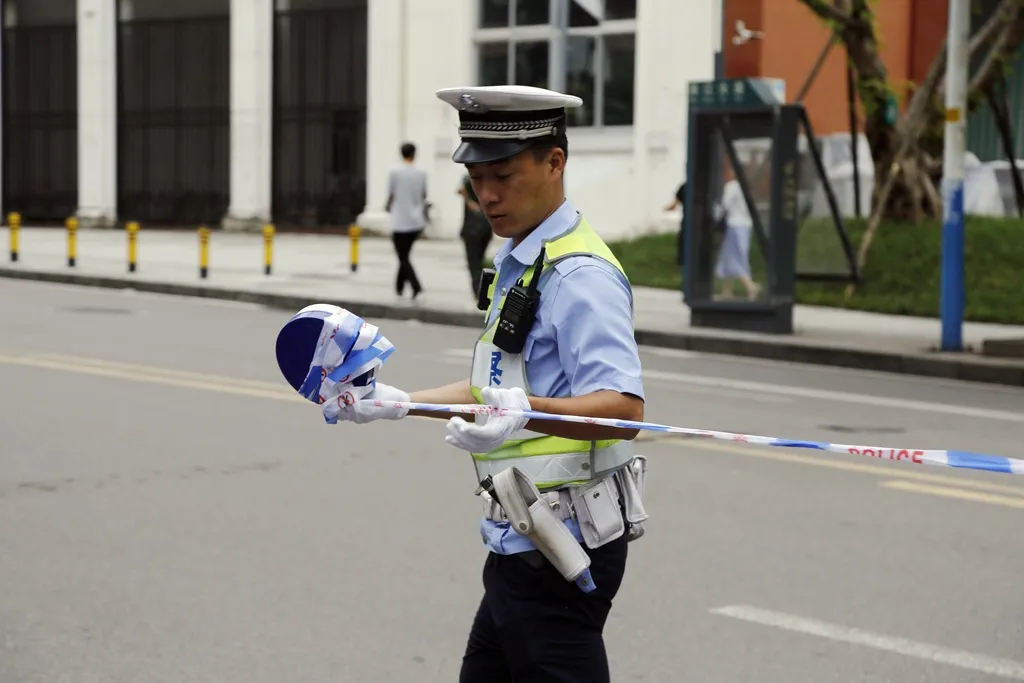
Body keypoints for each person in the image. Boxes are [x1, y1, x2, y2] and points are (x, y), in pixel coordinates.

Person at [329, 84, 650, 683]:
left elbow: (623, 408)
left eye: (503, 174)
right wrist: (396, 403)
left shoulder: (579, 275)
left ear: (555, 162)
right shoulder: (526, 259)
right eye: (477, 179)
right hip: (520, 542)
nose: (488, 196)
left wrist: (528, 411)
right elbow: (493, 387)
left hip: (561, 552)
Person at [713, 158, 761, 300]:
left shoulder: (732, 186)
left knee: (734, 257)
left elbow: (725, 206)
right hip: (746, 225)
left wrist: (716, 214)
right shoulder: (747, 187)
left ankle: (750, 286)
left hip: (734, 224)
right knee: (730, 256)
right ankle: (727, 291)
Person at [386, 142, 427, 300]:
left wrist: (388, 207)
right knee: (405, 254)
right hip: (416, 220)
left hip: (400, 220)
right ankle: (399, 287)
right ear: (414, 154)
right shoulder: (421, 173)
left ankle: (416, 286)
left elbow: (391, 194)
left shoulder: (394, 172)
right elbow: (424, 195)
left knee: (402, 256)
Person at [459, 173, 493, 297]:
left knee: (473, 264)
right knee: (479, 262)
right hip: (485, 227)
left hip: (472, 230)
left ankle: (478, 292)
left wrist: (468, 199)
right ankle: (480, 290)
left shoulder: (469, 180)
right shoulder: (490, 182)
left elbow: (460, 190)